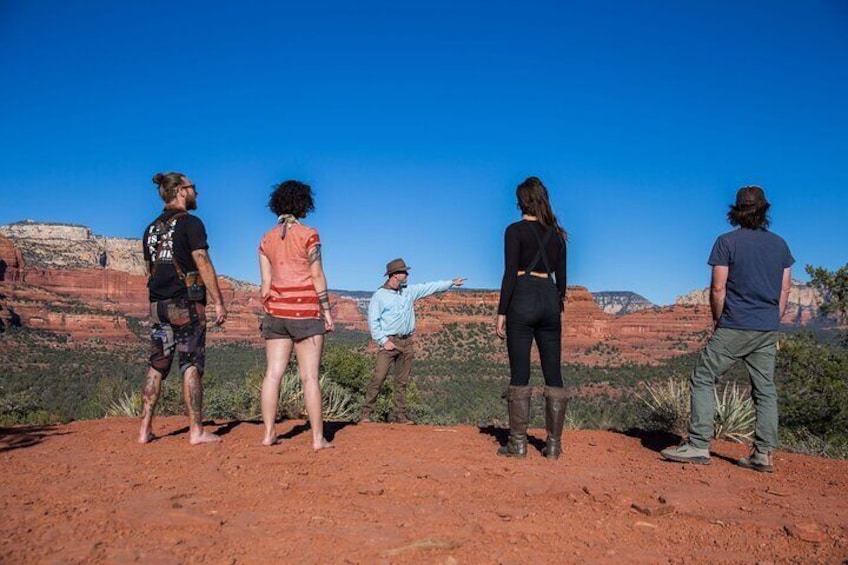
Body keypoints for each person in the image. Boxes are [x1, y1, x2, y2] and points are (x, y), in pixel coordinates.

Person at [661, 185, 793, 472]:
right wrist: (773, 320)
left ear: (736, 210)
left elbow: (718, 288)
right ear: (764, 210)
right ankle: (763, 454)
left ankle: (697, 445)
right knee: (765, 390)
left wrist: (719, 319)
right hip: (766, 327)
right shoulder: (780, 245)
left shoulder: (726, 242)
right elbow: (785, 289)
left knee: (704, 377)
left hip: (734, 324)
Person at [138, 172, 227, 445]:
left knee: (157, 365)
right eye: (193, 188)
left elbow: (148, 268)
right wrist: (218, 300)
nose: (196, 193)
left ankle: (144, 429)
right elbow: (201, 260)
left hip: (158, 305)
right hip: (186, 305)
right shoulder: (191, 223)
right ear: (180, 191)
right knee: (191, 365)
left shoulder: (150, 228)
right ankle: (196, 430)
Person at [258, 180, 335, 451]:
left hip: (276, 312)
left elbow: (265, 285)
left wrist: (267, 312)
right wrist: (326, 312)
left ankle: (269, 433)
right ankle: (317, 439)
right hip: (305, 312)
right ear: (304, 204)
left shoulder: (266, 239)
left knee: (273, 374)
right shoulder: (309, 234)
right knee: (310, 378)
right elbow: (316, 274)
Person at [495, 176, 568, 459]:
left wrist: (502, 311)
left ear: (521, 201)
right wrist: (555, 303)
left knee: (521, 372)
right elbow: (562, 280)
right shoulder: (558, 235)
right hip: (549, 298)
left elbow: (510, 273)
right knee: (554, 373)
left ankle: (518, 443)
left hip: (523, 298)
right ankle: (553, 445)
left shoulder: (514, 231)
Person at [360, 259, 465, 424]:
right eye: (404, 272)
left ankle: (399, 415)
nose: (407, 274)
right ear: (394, 275)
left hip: (407, 342)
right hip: (389, 342)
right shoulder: (379, 296)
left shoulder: (408, 291)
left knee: (401, 381)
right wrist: (383, 340)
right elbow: (373, 321)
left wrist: (451, 283)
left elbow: (429, 287)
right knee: (379, 377)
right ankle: (366, 414)